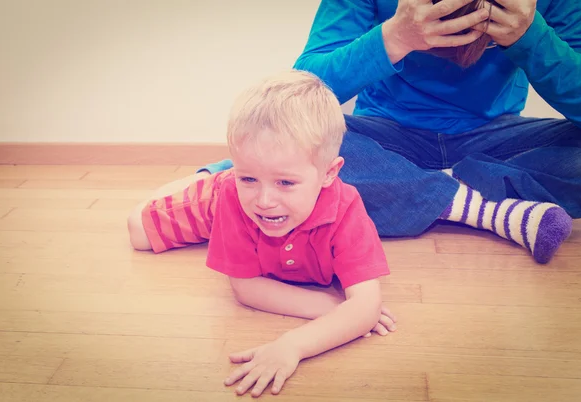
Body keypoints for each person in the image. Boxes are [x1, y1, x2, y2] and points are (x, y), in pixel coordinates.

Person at [196, 0, 581, 263]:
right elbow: (302, 90)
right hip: (387, 134)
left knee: (310, 171)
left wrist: (532, 39)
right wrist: (395, 37)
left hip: (495, 139)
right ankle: (485, 206)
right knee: (301, 136)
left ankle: (416, 189)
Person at [128, 70, 398, 397]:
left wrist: (292, 346)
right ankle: (205, 177)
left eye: (285, 182)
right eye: (250, 178)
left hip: (236, 196)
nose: (265, 201)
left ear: (329, 173)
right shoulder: (233, 197)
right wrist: (335, 309)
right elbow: (246, 287)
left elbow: (366, 306)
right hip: (216, 200)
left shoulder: (347, 208)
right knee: (138, 231)